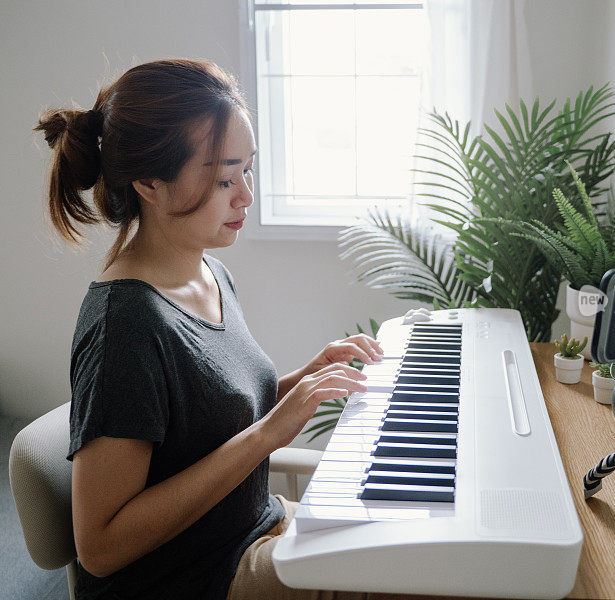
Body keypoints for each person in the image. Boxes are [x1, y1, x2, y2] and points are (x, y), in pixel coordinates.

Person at [34, 58, 384, 600]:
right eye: (224, 177)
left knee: (415, 543)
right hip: (199, 577)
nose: (245, 194)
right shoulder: (125, 325)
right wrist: (268, 434)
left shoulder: (208, 270)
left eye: (248, 169)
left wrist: (307, 377)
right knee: (421, 581)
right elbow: (100, 548)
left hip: (255, 528)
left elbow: (212, 417)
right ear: (149, 182)